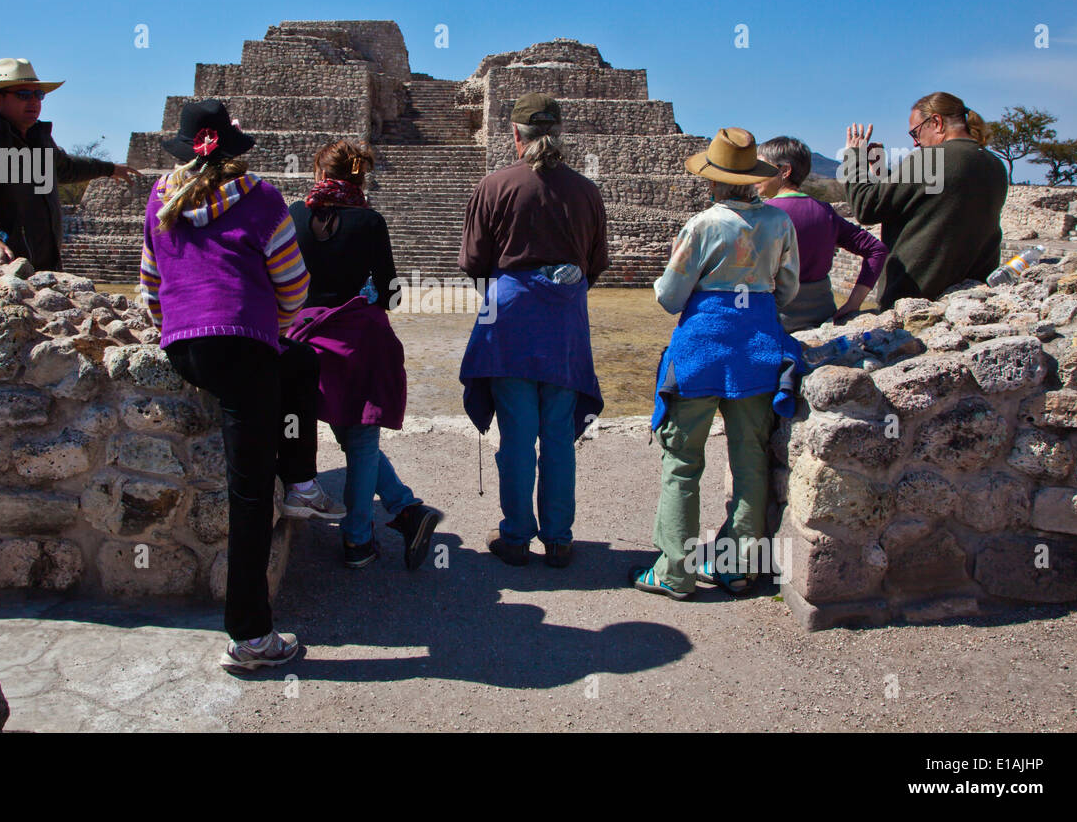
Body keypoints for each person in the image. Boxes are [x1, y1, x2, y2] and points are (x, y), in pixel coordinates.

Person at [139, 100, 339, 673]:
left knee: (296, 364)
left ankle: (300, 482)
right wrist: (266, 329)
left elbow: (150, 284)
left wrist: (177, 329)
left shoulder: (160, 198)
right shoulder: (260, 198)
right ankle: (250, 635)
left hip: (185, 350)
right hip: (243, 346)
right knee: (249, 493)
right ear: (231, 150)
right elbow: (294, 286)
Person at [632, 127, 804, 601]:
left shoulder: (703, 225)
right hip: (757, 351)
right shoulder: (779, 224)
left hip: (700, 353)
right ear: (752, 178)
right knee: (750, 458)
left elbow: (670, 298)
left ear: (713, 181)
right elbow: (787, 290)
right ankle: (738, 566)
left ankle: (675, 570)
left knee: (683, 463)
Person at [458, 92, 608, 569]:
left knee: (517, 436)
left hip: (510, 319)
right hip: (563, 320)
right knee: (559, 436)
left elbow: (473, 262)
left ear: (516, 136)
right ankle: (560, 539)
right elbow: (596, 264)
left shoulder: (495, 185)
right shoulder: (586, 190)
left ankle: (517, 537)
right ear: (559, 134)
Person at [286, 140, 443, 570]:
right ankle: (361, 539)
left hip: (303, 339)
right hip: (357, 338)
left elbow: (281, 280)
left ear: (321, 172)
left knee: (343, 434)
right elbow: (390, 292)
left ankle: (406, 511)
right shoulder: (371, 221)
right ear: (360, 176)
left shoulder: (293, 215)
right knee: (359, 439)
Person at [0, 57, 139, 271]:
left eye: (39, 95)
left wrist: (110, 169)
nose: (34, 102)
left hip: (45, 265)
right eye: (23, 95)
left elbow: (65, 167)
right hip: (8, 266)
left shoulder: (37, 136)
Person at [843, 92, 1007, 308]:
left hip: (917, 297)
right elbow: (925, 200)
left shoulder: (932, 159)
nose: (915, 143)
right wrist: (881, 169)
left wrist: (854, 158)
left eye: (916, 132)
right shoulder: (994, 164)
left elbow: (866, 207)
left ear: (937, 122)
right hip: (966, 297)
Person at [756, 136, 888, 330]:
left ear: (784, 170)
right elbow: (876, 249)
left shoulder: (761, 215)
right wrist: (854, 303)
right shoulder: (825, 212)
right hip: (821, 320)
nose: (754, 175)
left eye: (761, 167)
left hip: (773, 323)